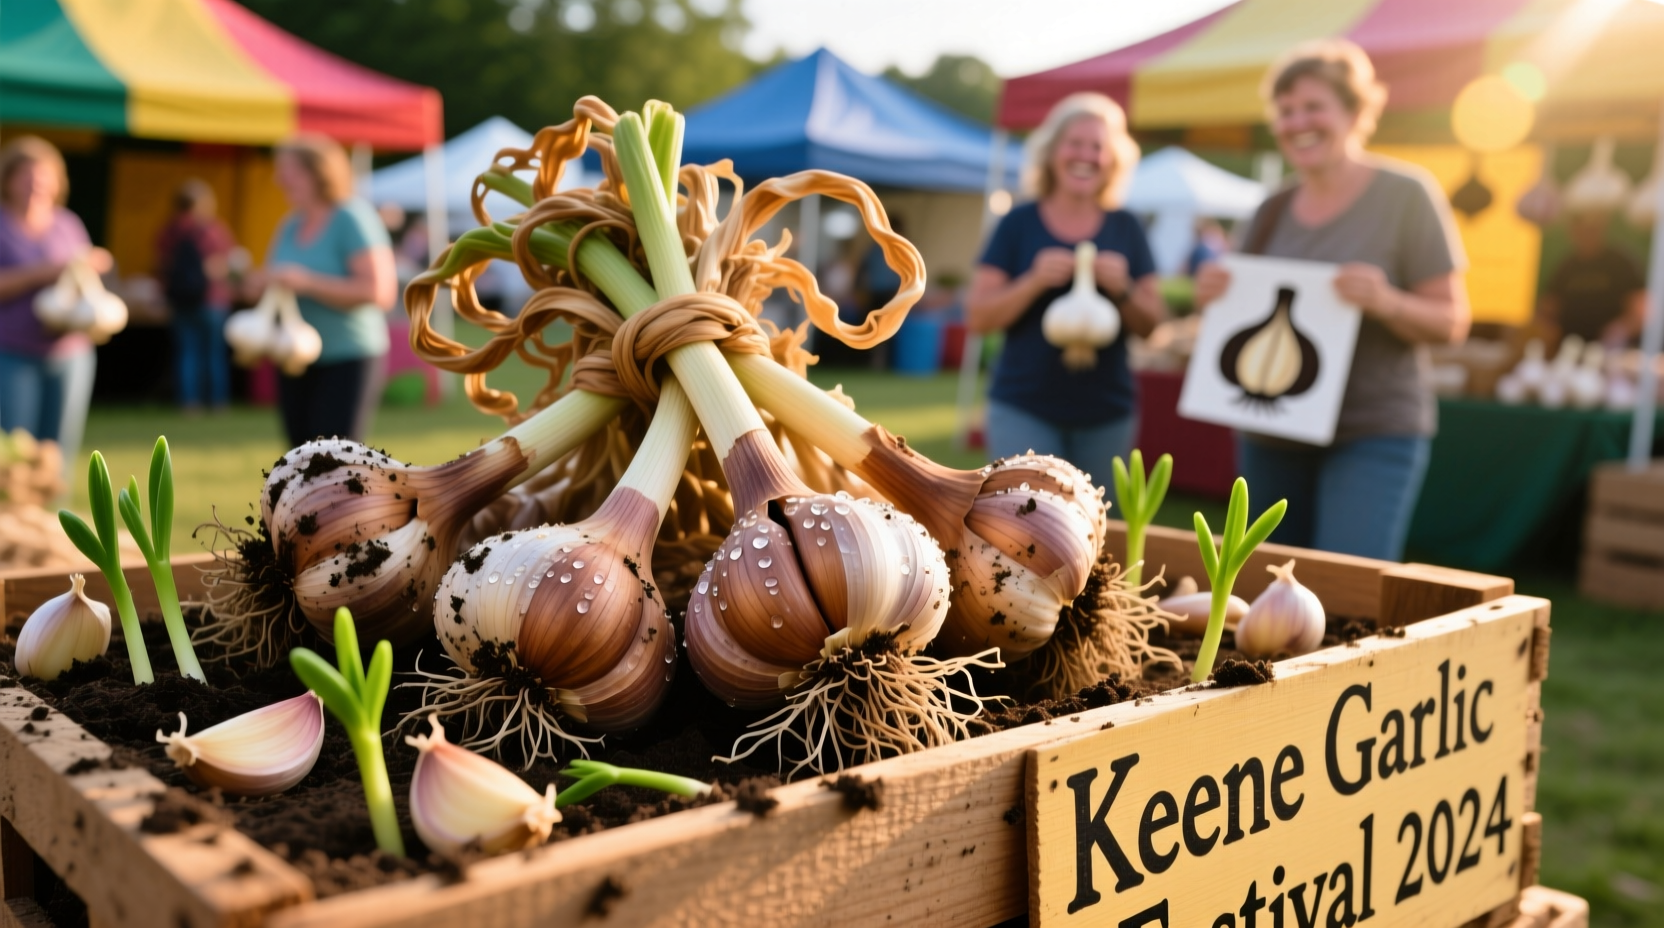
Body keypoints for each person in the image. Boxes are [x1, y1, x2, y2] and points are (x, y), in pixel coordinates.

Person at [1194, 39, 1470, 561]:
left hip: (1373, 429)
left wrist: (1387, 301)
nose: (1298, 122)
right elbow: (1237, 309)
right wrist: (1215, 293)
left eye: (1314, 107)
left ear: (1356, 111)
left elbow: (1452, 321)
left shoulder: (1406, 195)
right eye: (1286, 111)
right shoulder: (1269, 209)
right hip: (1271, 431)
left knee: (1348, 593)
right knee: (1268, 595)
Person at [966, 93, 1165, 492]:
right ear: (1052, 151)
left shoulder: (1127, 226)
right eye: (1075, 143)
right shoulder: (1018, 223)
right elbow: (977, 317)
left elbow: (1154, 325)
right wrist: (1033, 281)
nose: (1085, 155)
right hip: (1022, 406)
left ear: (1113, 160)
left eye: (1098, 147)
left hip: (1106, 413)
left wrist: (1123, 289)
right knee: (1023, 526)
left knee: (1096, 532)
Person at [246, 134, 397, 447]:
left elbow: (380, 292)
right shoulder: (290, 224)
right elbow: (277, 278)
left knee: (335, 461)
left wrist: (308, 281)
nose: (278, 178)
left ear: (318, 172)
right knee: (298, 457)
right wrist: (260, 283)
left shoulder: (352, 217)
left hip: (348, 357)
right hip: (294, 356)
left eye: (288, 169)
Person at [0, 136, 111, 475]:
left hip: (70, 354)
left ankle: (55, 521)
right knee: (16, 451)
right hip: (13, 353)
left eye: (44, 177)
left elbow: (82, 283)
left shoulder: (67, 224)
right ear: (8, 179)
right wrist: (45, 272)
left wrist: (92, 266)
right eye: (27, 177)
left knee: (59, 453)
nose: (36, 185)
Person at [157, 179, 235, 413]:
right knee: (214, 354)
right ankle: (218, 403)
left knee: (187, 354)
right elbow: (226, 265)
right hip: (212, 300)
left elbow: (161, 265)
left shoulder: (169, 230)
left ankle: (189, 404)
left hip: (180, 301)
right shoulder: (213, 230)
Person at [1536, 210, 1646, 347]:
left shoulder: (1621, 262)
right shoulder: (1566, 266)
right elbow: (1548, 307)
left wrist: (1622, 329)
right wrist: (1546, 329)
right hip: (1571, 349)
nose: (1586, 234)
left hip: (1613, 350)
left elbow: (1643, 307)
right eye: (1581, 229)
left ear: (1602, 228)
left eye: (1591, 228)